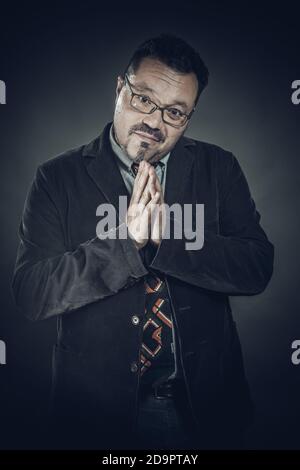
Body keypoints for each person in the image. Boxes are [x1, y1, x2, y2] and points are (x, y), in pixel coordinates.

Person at [12, 33, 274, 450]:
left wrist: (166, 238)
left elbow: (257, 267)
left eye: (175, 112)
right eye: (144, 100)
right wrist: (127, 242)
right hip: (94, 414)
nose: (154, 121)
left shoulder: (219, 167)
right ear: (120, 89)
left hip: (203, 409)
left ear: (189, 117)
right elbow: (32, 294)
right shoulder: (55, 178)